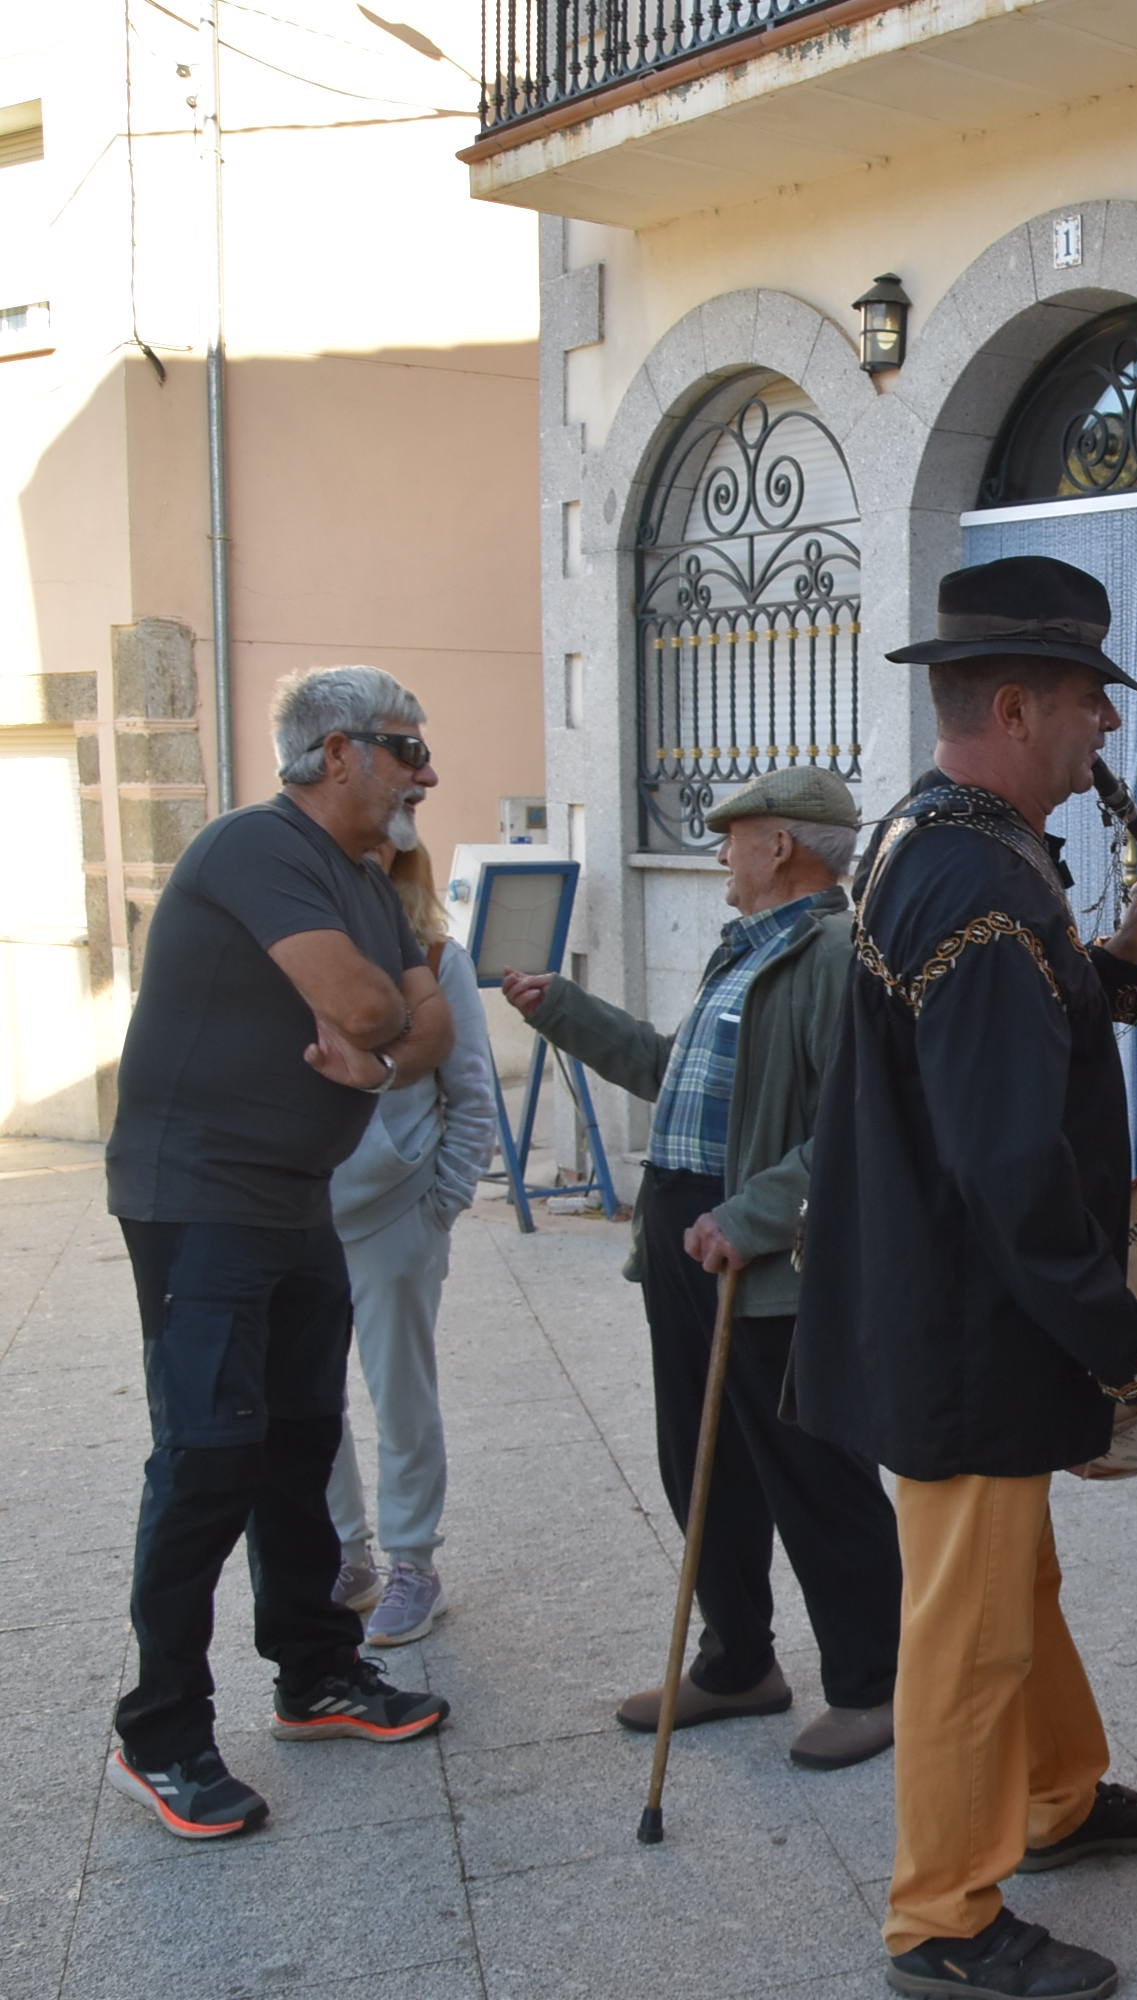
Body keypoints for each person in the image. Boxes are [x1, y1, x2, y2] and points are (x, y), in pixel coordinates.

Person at [793, 555, 1137, 2000]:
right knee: (969, 1627)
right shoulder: (975, 875)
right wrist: (1119, 1332)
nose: (1110, 723)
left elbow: (992, 1044)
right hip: (969, 1321)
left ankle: (1056, 1797)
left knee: (1011, 1580)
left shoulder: (940, 837)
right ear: (1020, 707)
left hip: (943, 1298)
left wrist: (1116, 957)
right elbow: (1006, 1159)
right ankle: (943, 1919)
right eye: (1092, 697)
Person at [103, 665, 457, 1842]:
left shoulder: (366, 875)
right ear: (336, 752)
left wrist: (388, 1054)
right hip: (199, 1197)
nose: (426, 772)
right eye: (407, 748)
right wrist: (386, 1030)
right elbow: (371, 1007)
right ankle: (159, 1731)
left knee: (302, 1441)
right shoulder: (255, 845)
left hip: (296, 1196)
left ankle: (316, 1674)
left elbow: (427, 1025)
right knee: (209, 1456)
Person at [499, 767, 901, 1773]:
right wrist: (564, 1011)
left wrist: (752, 1216)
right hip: (690, 1243)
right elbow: (668, 1070)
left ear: (781, 846)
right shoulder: (748, 949)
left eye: (733, 836)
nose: (720, 853)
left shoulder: (834, 956)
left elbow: (857, 1127)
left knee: (814, 1474)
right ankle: (737, 1662)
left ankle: (875, 1683)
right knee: (703, 1464)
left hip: (765, 1257)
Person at [327, 837, 501, 1647]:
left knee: (400, 1391)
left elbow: (472, 1092)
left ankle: (412, 1563)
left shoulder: (434, 959)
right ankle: (344, 1554)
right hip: (300, 1207)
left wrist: (443, 1201)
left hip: (397, 1210)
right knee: (308, 1395)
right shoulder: (299, 958)